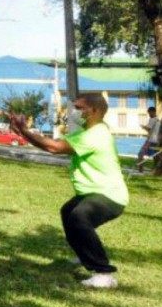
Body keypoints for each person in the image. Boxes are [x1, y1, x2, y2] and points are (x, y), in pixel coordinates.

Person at [10, 94, 129, 289]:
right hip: (94, 193)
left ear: (94, 111)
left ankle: (103, 274)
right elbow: (48, 143)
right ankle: (84, 257)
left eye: (79, 108)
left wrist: (24, 130)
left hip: (110, 196)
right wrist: (23, 132)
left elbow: (54, 148)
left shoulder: (96, 134)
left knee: (79, 216)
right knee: (68, 212)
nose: (73, 112)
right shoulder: (86, 132)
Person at [135, 106, 160, 172]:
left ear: (153, 112)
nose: (149, 115)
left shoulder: (152, 119)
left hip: (150, 140)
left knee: (140, 154)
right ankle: (156, 170)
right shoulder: (158, 120)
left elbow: (148, 129)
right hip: (157, 141)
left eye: (149, 113)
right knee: (156, 156)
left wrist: (143, 126)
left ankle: (140, 170)